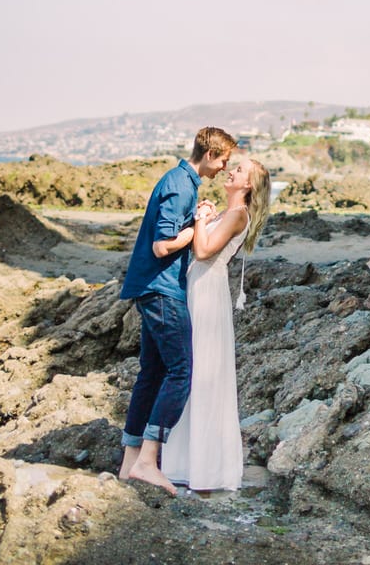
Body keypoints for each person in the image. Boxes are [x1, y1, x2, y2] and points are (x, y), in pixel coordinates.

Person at [118, 125, 237, 492]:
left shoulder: (181, 182)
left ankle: (128, 464)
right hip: (162, 289)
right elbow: (163, 246)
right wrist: (198, 223)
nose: (223, 169)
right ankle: (147, 461)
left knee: (152, 374)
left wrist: (196, 216)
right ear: (210, 154)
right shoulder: (181, 184)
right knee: (182, 371)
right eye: (224, 161)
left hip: (151, 287)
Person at [161, 154, 271, 492]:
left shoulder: (238, 214)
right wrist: (206, 216)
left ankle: (205, 467)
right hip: (199, 286)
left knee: (202, 372)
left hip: (208, 292)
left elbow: (205, 251)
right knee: (191, 371)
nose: (230, 171)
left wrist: (200, 220)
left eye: (239, 170)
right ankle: (183, 461)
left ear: (248, 185)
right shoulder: (228, 213)